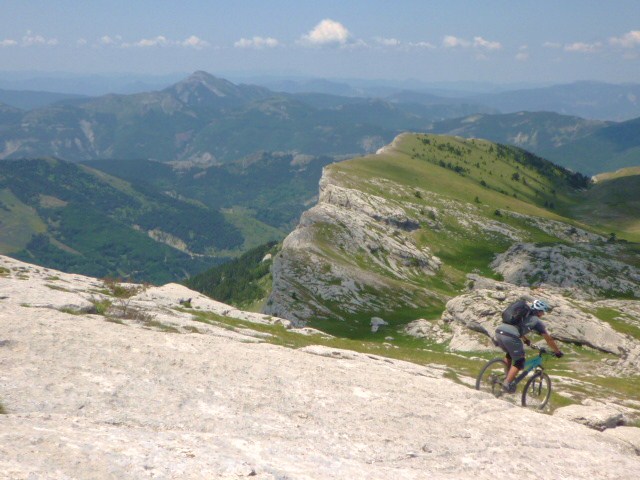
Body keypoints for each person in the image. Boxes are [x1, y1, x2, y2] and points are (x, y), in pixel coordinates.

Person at [494, 299, 563, 393]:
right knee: (520, 361)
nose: (543, 314)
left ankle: (504, 377)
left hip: (499, 332)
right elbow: (549, 339)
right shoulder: (536, 321)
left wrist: (526, 340)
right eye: (542, 312)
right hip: (510, 336)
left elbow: (517, 328)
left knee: (510, 354)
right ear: (539, 312)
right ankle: (506, 384)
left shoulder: (521, 315)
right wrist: (557, 351)